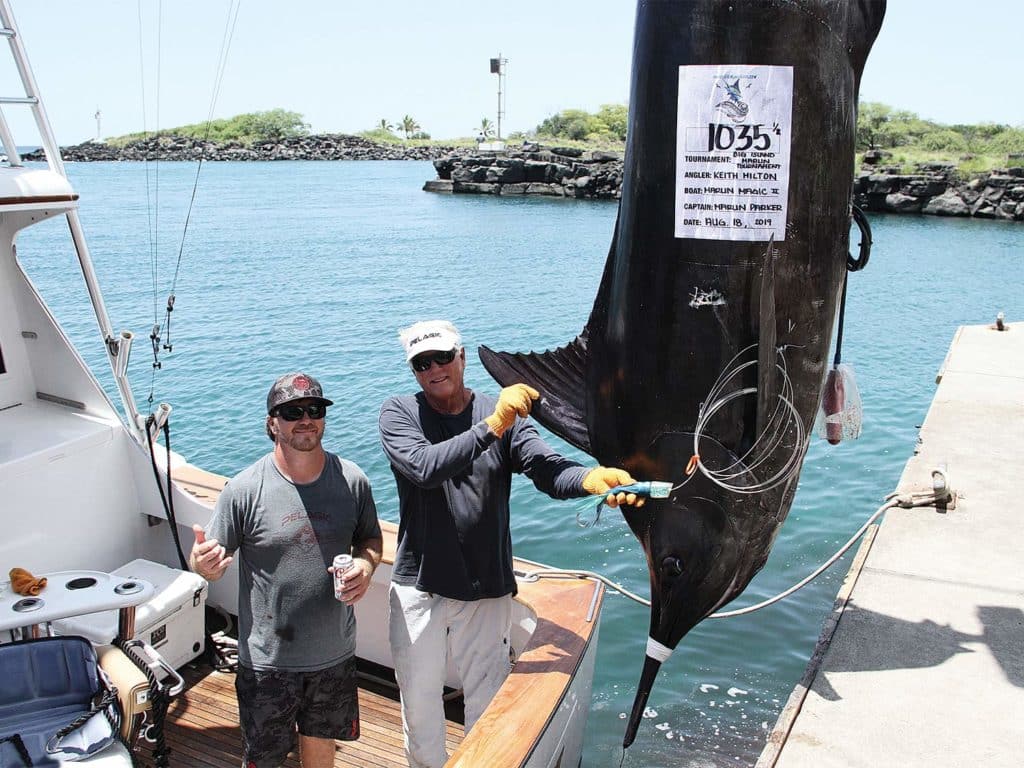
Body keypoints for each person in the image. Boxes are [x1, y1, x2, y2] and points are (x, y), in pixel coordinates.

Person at [378, 319, 643, 768]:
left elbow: (546, 468)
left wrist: (591, 479)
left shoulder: (499, 411)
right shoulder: (399, 413)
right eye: (422, 363)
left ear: (460, 356)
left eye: (442, 357)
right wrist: (493, 426)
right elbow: (425, 467)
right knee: (420, 711)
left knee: (487, 710)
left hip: (485, 588)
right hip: (417, 589)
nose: (434, 369)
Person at [190, 372, 383, 768]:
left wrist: (365, 566)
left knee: (321, 750)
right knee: (264, 760)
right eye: (292, 412)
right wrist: (202, 565)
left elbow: (371, 540)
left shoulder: (352, 480)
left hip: (334, 653)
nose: (305, 419)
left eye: (314, 409)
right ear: (272, 423)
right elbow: (209, 561)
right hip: (268, 662)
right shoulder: (244, 489)